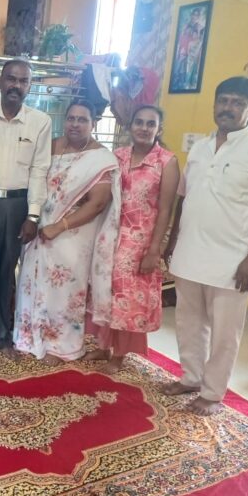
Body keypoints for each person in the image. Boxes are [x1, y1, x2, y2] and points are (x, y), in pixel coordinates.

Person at [163, 77, 248, 415]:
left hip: (232, 260)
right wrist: (172, 240)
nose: (228, 108)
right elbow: (184, 198)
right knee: (188, 322)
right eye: (223, 100)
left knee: (224, 332)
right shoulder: (201, 148)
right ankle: (191, 377)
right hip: (189, 253)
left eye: (237, 103)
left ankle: (212, 393)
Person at [14, 100, 121, 363]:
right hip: (40, 226)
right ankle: (29, 337)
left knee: (64, 290)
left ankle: (60, 346)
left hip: (73, 234)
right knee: (31, 281)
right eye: (71, 118)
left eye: (82, 119)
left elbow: (98, 203)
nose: (75, 124)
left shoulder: (101, 158)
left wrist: (59, 226)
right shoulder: (51, 147)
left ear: (93, 123)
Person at [85, 106, 179, 373]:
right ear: (130, 126)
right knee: (105, 291)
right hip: (110, 236)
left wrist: (155, 250)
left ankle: (119, 354)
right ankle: (103, 345)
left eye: (150, 124)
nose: (144, 128)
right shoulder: (118, 156)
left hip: (140, 242)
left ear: (159, 129)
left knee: (128, 300)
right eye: (139, 122)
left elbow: (166, 209)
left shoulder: (166, 162)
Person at [0, 59, 52, 357]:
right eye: (11, 79)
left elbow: (39, 170)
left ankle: (2, 333)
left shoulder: (40, 122)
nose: (16, 85)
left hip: (17, 205)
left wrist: (33, 214)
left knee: (6, 270)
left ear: (29, 86)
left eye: (23, 81)